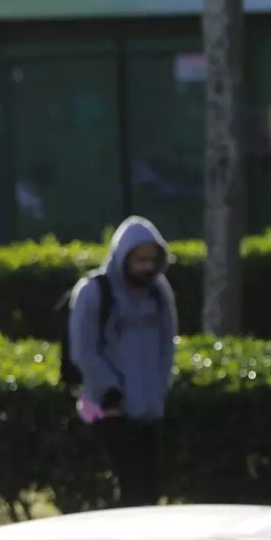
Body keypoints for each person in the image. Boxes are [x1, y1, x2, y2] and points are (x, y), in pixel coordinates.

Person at [67, 216, 177, 508]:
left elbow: (167, 345)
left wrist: (159, 388)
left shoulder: (158, 293)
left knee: (149, 490)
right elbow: (83, 349)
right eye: (139, 260)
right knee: (131, 489)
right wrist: (110, 388)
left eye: (151, 260)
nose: (146, 267)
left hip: (148, 407)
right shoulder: (93, 292)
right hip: (109, 408)